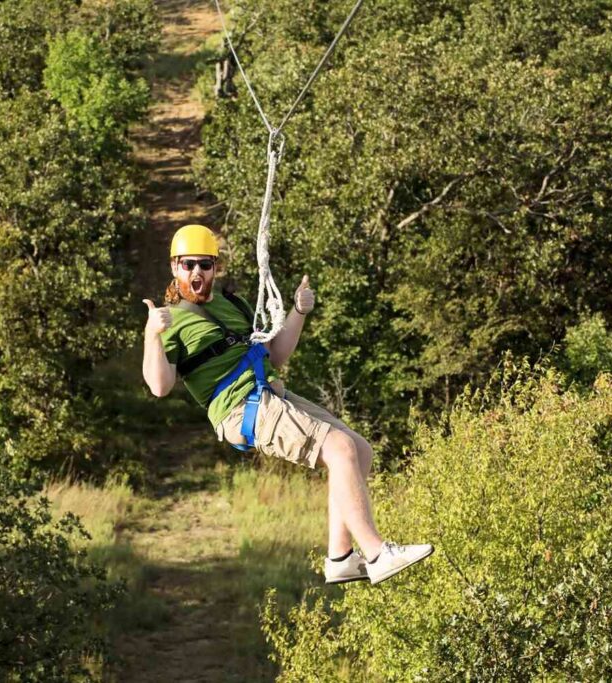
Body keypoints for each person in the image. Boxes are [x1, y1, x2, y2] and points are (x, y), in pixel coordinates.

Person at [141, 224, 433, 585]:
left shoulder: (233, 303)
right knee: (339, 448)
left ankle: (340, 557)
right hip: (240, 409)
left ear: (216, 268)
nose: (196, 273)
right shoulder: (171, 321)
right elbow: (159, 386)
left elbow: (275, 353)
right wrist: (151, 335)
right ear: (174, 268)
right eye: (188, 265)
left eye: (204, 264)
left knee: (360, 450)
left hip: (269, 393)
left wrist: (298, 311)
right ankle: (377, 553)